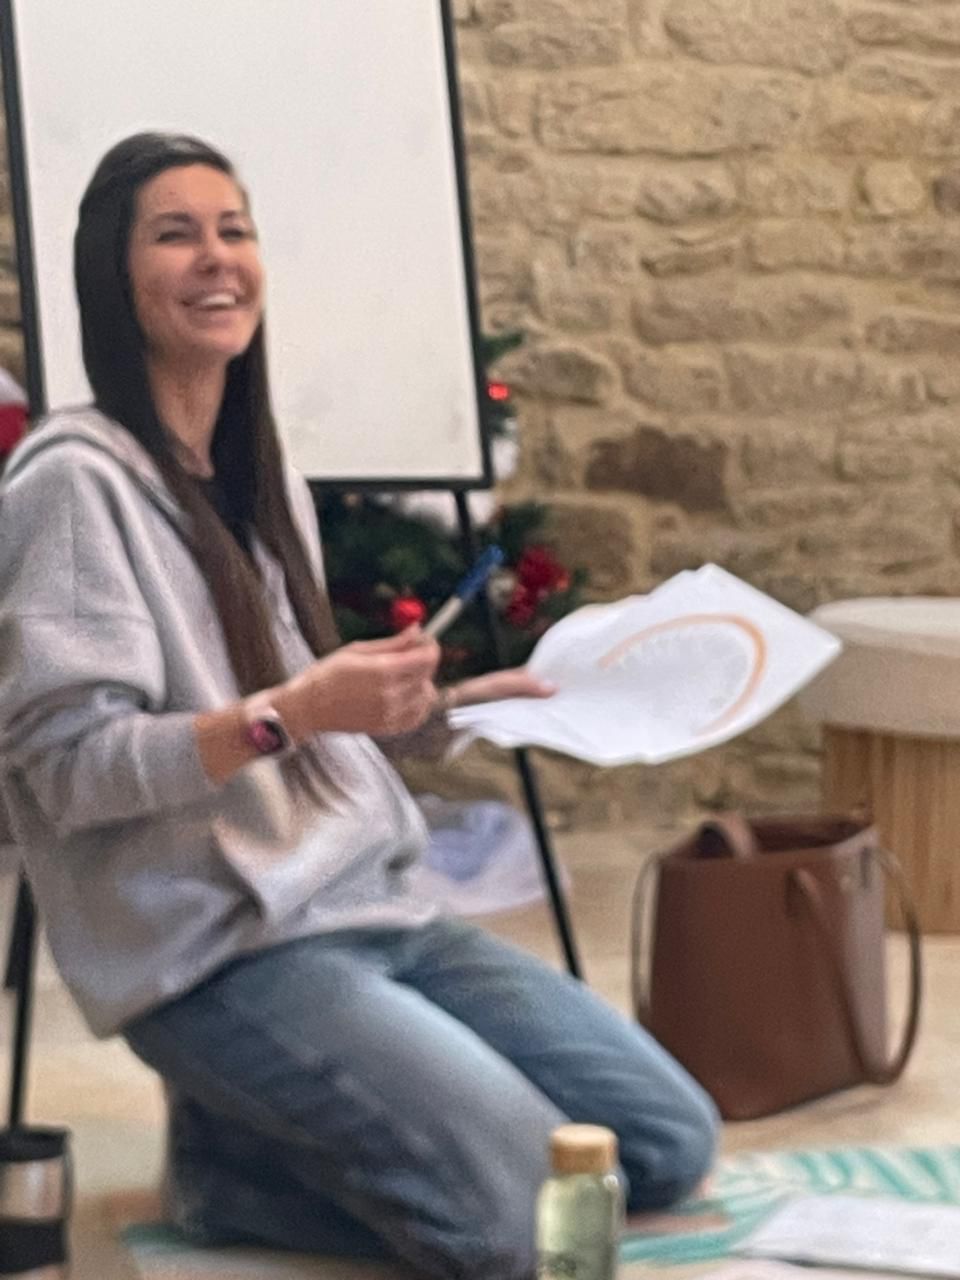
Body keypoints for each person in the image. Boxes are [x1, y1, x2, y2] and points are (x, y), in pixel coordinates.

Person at [0, 133, 717, 1280]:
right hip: (218, 954)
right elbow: (68, 770)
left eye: (233, 229)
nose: (216, 258)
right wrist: (294, 710)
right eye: (175, 234)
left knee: (667, 1143)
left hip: (368, 903)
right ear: (111, 276)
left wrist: (449, 706)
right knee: (521, 1222)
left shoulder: (257, 471)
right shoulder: (71, 484)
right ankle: (233, 1169)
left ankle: (259, 1147)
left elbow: (310, 720)